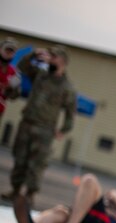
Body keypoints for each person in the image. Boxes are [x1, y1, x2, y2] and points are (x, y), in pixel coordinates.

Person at [2, 44, 76, 203]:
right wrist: (34, 55)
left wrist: (64, 129)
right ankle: (15, 191)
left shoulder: (67, 87)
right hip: (27, 123)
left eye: (54, 56)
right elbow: (21, 67)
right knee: (19, 157)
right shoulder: (40, 75)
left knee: (37, 164)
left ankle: (29, 196)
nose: (50, 59)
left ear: (63, 61)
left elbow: (71, 113)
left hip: (45, 130)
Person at [0, 37, 21, 124]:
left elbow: (14, 96)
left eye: (11, 51)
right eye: (6, 49)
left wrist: (9, 89)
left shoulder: (14, 72)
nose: (8, 53)